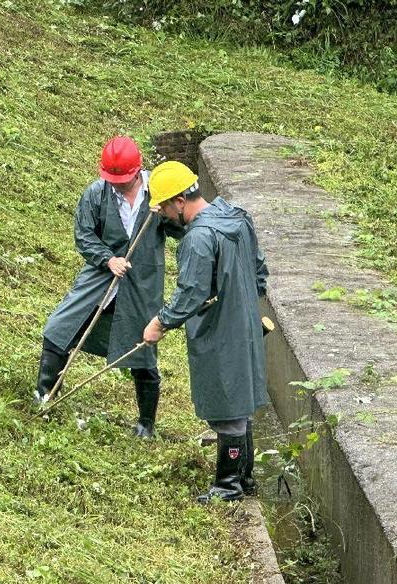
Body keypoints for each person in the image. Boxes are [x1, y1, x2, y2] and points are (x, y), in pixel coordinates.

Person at [36, 136, 184, 437]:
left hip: (141, 283)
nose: (117, 185)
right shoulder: (95, 194)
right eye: (112, 180)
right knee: (59, 328)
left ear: (138, 171)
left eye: (123, 180)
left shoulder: (157, 194)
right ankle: (44, 395)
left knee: (143, 349)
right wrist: (107, 259)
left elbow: (182, 226)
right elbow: (84, 236)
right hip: (100, 278)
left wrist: (165, 212)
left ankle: (146, 424)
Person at [142, 160, 269, 502]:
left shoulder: (199, 238)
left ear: (180, 202)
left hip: (219, 330)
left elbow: (190, 292)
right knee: (240, 403)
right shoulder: (236, 216)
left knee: (227, 405)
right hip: (243, 321)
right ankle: (244, 478)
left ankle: (227, 486)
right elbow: (259, 270)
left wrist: (160, 322)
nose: (166, 216)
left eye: (167, 209)